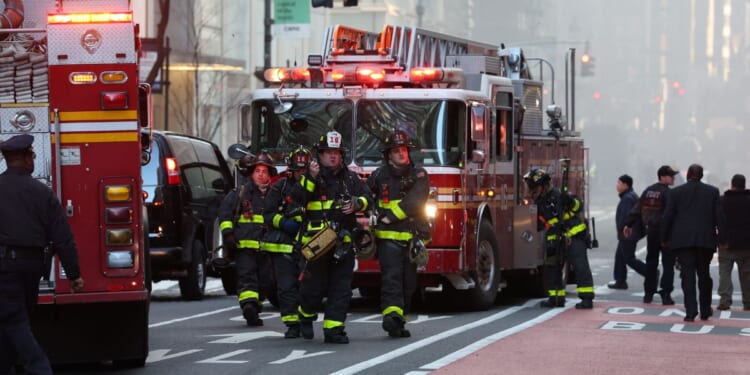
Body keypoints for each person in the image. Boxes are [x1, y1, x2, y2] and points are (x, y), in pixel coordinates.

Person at [0, 134, 84, 375]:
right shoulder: (42, 193)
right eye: (32, 155)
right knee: (13, 319)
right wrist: (74, 275)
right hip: (32, 267)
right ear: (26, 159)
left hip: (4, 267)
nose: (34, 158)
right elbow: (62, 237)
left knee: (13, 320)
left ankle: (39, 369)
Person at [292, 131, 373, 344]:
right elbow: (297, 198)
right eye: (328, 152)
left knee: (341, 288)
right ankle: (305, 314)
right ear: (319, 155)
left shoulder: (350, 178)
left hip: (343, 242)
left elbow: (368, 198)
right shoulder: (310, 177)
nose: (333, 157)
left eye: (336, 152)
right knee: (313, 288)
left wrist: (357, 203)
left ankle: (334, 329)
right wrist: (311, 178)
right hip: (317, 243)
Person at [367, 130, 429, 338]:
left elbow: (415, 202)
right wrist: (369, 208)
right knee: (392, 279)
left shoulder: (419, 174)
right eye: (396, 151)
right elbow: (367, 195)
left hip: (411, 238)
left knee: (409, 283)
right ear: (388, 155)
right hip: (388, 239)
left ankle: (400, 320)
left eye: (403, 150)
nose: (401, 154)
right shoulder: (378, 175)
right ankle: (390, 318)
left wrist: (389, 216)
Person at [219, 152, 277, 327]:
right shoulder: (240, 193)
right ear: (251, 173)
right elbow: (224, 214)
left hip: (267, 248)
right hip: (244, 247)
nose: (261, 174)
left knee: (265, 281)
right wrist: (228, 233)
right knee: (247, 277)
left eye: (264, 171)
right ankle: (248, 306)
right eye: (257, 171)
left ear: (269, 175)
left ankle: (255, 307)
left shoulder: (274, 196)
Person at [661, 164, 725, 322]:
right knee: (704, 275)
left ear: (688, 174)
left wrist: (664, 238)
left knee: (687, 276)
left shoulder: (676, 192)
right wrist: (721, 239)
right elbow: (720, 218)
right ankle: (705, 309)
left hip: (682, 241)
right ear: (701, 175)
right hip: (705, 240)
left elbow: (667, 217)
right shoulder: (712, 192)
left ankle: (690, 311)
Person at [523, 168, 594, 309]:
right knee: (552, 269)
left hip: (572, 235)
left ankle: (587, 298)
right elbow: (541, 223)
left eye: (533, 187)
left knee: (580, 267)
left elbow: (578, 206)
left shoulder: (558, 195)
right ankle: (556, 298)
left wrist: (569, 201)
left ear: (542, 186)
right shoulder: (540, 202)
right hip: (554, 238)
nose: (531, 191)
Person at [262, 145, 312, 338]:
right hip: (283, 244)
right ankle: (292, 324)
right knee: (286, 286)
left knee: (308, 286)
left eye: (304, 170)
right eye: (297, 169)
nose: (300, 173)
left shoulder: (316, 188)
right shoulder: (280, 187)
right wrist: (283, 223)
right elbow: (268, 214)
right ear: (290, 169)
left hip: (309, 245)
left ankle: (306, 321)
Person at [624, 165, 678, 305]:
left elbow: (637, 208)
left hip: (652, 232)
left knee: (651, 262)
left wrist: (628, 224)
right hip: (666, 233)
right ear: (663, 176)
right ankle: (666, 294)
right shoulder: (668, 193)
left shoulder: (648, 191)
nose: (673, 178)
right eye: (671, 176)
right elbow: (671, 214)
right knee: (668, 265)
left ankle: (648, 293)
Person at [717, 174, 750, 311]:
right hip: (746, 244)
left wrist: (719, 238)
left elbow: (718, 220)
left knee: (724, 272)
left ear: (732, 185)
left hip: (726, 243)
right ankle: (748, 302)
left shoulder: (722, 200)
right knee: (747, 274)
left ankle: (725, 300)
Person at [608, 174, 646, 289]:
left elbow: (626, 218)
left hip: (628, 233)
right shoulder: (630, 196)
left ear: (625, 185)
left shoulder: (628, 199)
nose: (617, 185)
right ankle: (620, 281)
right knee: (620, 257)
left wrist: (622, 229)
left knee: (629, 258)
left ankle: (650, 272)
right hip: (629, 233)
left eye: (619, 183)